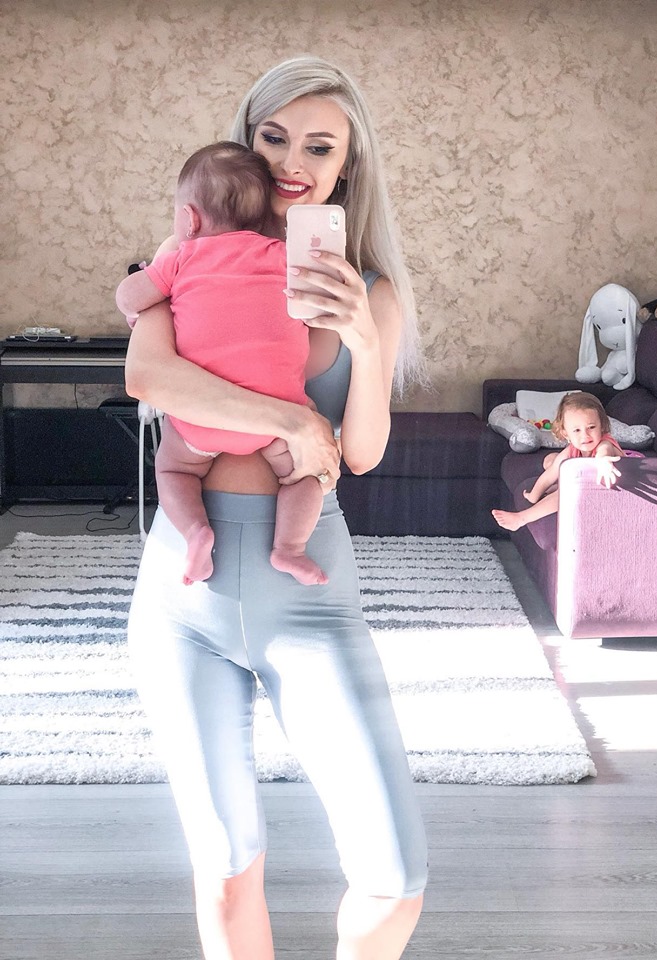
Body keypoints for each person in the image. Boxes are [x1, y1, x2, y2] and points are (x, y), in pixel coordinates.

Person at [124, 56, 428, 960]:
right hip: (183, 603)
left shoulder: (372, 293)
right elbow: (148, 375)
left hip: (311, 598)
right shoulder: (189, 257)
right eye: (274, 137)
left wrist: (362, 338)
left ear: (348, 166)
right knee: (224, 868)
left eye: (319, 146)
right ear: (246, 143)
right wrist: (292, 419)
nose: (294, 161)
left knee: (393, 875)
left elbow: (361, 452)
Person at [116, 141, 328, 587]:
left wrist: (141, 305)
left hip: (200, 423)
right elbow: (315, 311)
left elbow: (129, 296)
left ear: (189, 219)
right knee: (305, 476)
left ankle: (196, 533)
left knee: (172, 469)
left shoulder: (182, 258)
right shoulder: (285, 257)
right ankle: (289, 549)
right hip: (278, 422)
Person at [492, 391, 629, 531]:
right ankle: (559, 484)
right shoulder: (572, 449)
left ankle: (521, 519)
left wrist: (604, 463)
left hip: (620, 485)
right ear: (566, 433)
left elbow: (604, 452)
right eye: (577, 430)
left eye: (591, 427)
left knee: (567, 492)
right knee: (552, 461)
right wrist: (533, 496)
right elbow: (550, 474)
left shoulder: (604, 444)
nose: (585, 435)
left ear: (602, 426)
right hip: (588, 480)